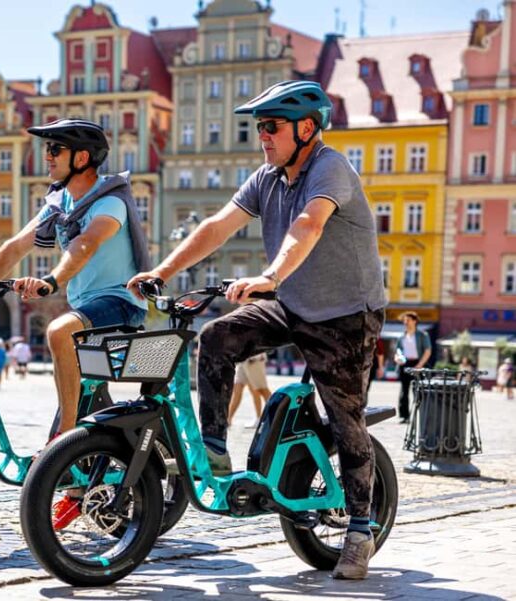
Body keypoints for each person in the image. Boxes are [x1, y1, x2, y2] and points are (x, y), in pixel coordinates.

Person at [128, 81, 386, 579]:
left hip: (345, 315)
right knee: (217, 337)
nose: (262, 135)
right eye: (259, 126)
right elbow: (217, 226)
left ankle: (359, 528)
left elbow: (308, 224)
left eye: (272, 126)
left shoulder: (330, 168)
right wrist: (162, 271)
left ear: (306, 128)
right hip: (293, 304)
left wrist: (270, 276)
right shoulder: (267, 178)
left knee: (344, 417)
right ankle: (215, 451)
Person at [0, 118, 150, 438]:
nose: (47, 156)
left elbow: (86, 244)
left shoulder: (110, 201)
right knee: (90, 397)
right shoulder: (60, 203)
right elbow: (15, 247)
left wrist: (50, 281)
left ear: (82, 158)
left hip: (120, 302)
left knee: (58, 331)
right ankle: (87, 457)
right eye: (47, 149)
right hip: (87, 307)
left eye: (56, 149)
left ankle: (65, 436)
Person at [393, 312, 431, 424]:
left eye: (408, 320)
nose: (406, 322)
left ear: (415, 321)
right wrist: (397, 359)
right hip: (405, 364)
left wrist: (420, 365)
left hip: (418, 364)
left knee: (418, 391)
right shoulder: (401, 337)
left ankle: (421, 416)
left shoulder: (422, 335)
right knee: (404, 391)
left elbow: (428, 351)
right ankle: (404, 416)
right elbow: (397, 352)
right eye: (404, 320)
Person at [227, 353, 271, 428]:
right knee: (237, 388)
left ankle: (262, 417)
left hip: (254, 359)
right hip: (242, 360)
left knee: (260, 390)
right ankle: (228, 419)